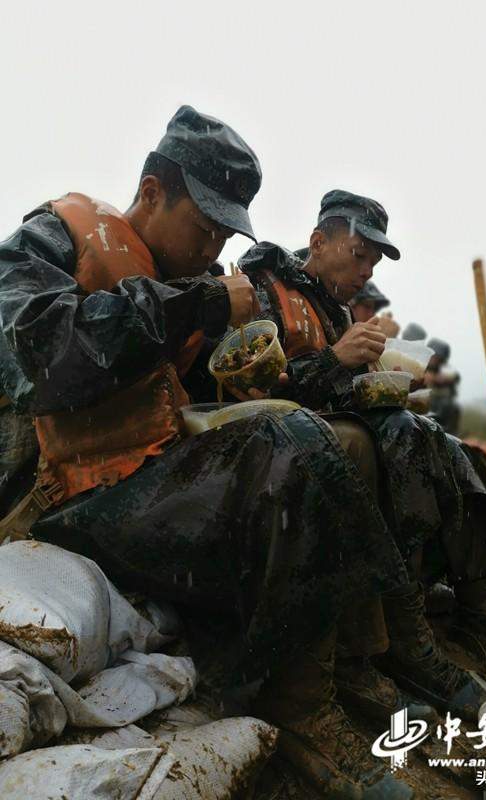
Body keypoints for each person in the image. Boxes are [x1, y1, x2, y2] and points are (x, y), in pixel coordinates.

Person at [0, 113, 413, 799]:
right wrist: (196, 306)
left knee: (305, 435)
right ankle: (299, 705)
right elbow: (37, 354)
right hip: (63, 500)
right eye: (206, 229)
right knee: (296, 443)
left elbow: (176, 404)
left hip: (142, 485)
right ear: (154, 192)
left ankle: (380, 650)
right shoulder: (54, 236)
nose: (213, 248)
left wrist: (244, 379)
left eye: (226, 236)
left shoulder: (182, 278)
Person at [238, 189, 486, 714]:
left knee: (446, 446)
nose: (366, 271)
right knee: (402, 437)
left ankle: (483, 612)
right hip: (284, 448)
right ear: (319, 242)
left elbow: (338, 389)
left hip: (337, 432)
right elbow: (254, 395)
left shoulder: (333, 307)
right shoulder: (263, 290)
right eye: (359, 254)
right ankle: (407, 639)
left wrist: (377, 380)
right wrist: (335, 361)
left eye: (373, 260)